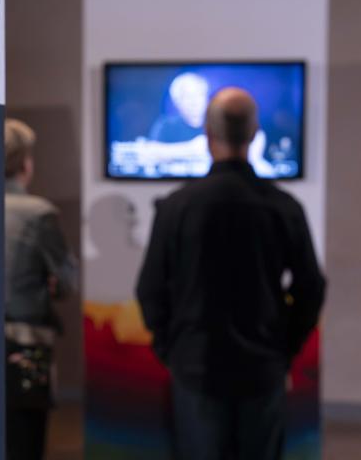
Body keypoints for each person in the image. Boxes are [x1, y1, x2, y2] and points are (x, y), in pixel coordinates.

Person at [136, 88, 326, 460]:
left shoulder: (177, 206)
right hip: (262, 367)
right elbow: (311, 288)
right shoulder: (284, 206)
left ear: (207, 136)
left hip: (196, 366)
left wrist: (170, 350)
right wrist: (284, 350)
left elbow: (150, 289)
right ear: (254, 134)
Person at [3, 118, 77, 460]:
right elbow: (65, 282)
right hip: (26, 345)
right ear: (25, 164)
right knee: (25, 440)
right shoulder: (39, 214)